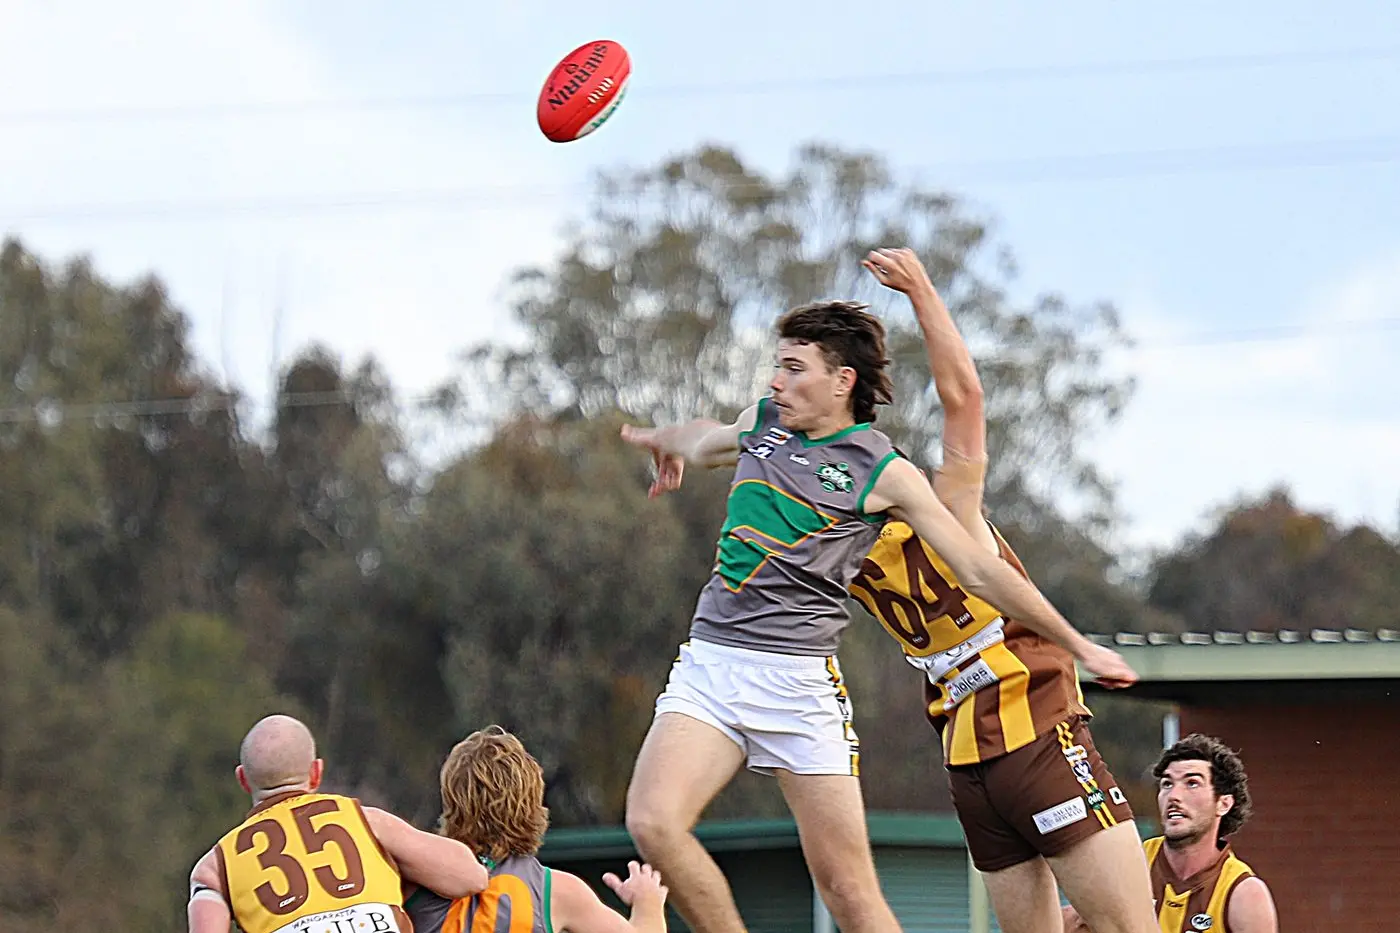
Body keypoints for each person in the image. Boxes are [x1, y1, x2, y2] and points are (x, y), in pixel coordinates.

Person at [619, 296, 1138, 933]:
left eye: (793, 368)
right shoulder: (767, 426)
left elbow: (980, 561)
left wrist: (1077, 644)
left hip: (836, 686)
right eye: (776, 367)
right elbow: (707, 440)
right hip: (725, 665)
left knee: (849, 893)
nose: (776, 382)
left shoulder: (895, 481)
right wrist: (666, 441)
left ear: (843, 381)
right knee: (651, 820)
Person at [851, 247, 1159, 933]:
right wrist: (923, 291)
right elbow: (964, 396)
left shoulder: (835, 548)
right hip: (1036, 729)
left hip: (967, 762)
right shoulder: (943, 509)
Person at [186, 714, 488, 933]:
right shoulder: (365, 821)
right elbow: (470, 877)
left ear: (243, 780)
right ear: (316, 773)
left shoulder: (214, 866)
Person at [403, 725, 669, 933]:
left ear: (451, 800)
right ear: (533, 801)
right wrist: (648, 902)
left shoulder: (413, 880)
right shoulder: (560, 892)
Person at [1063, 733, 1278, 933]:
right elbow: (1066, 922)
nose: (1174, 796)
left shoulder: (1244, 894)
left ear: (1223, 804)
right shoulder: (1131, 861)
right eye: (1167, 784)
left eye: (1192, 783)